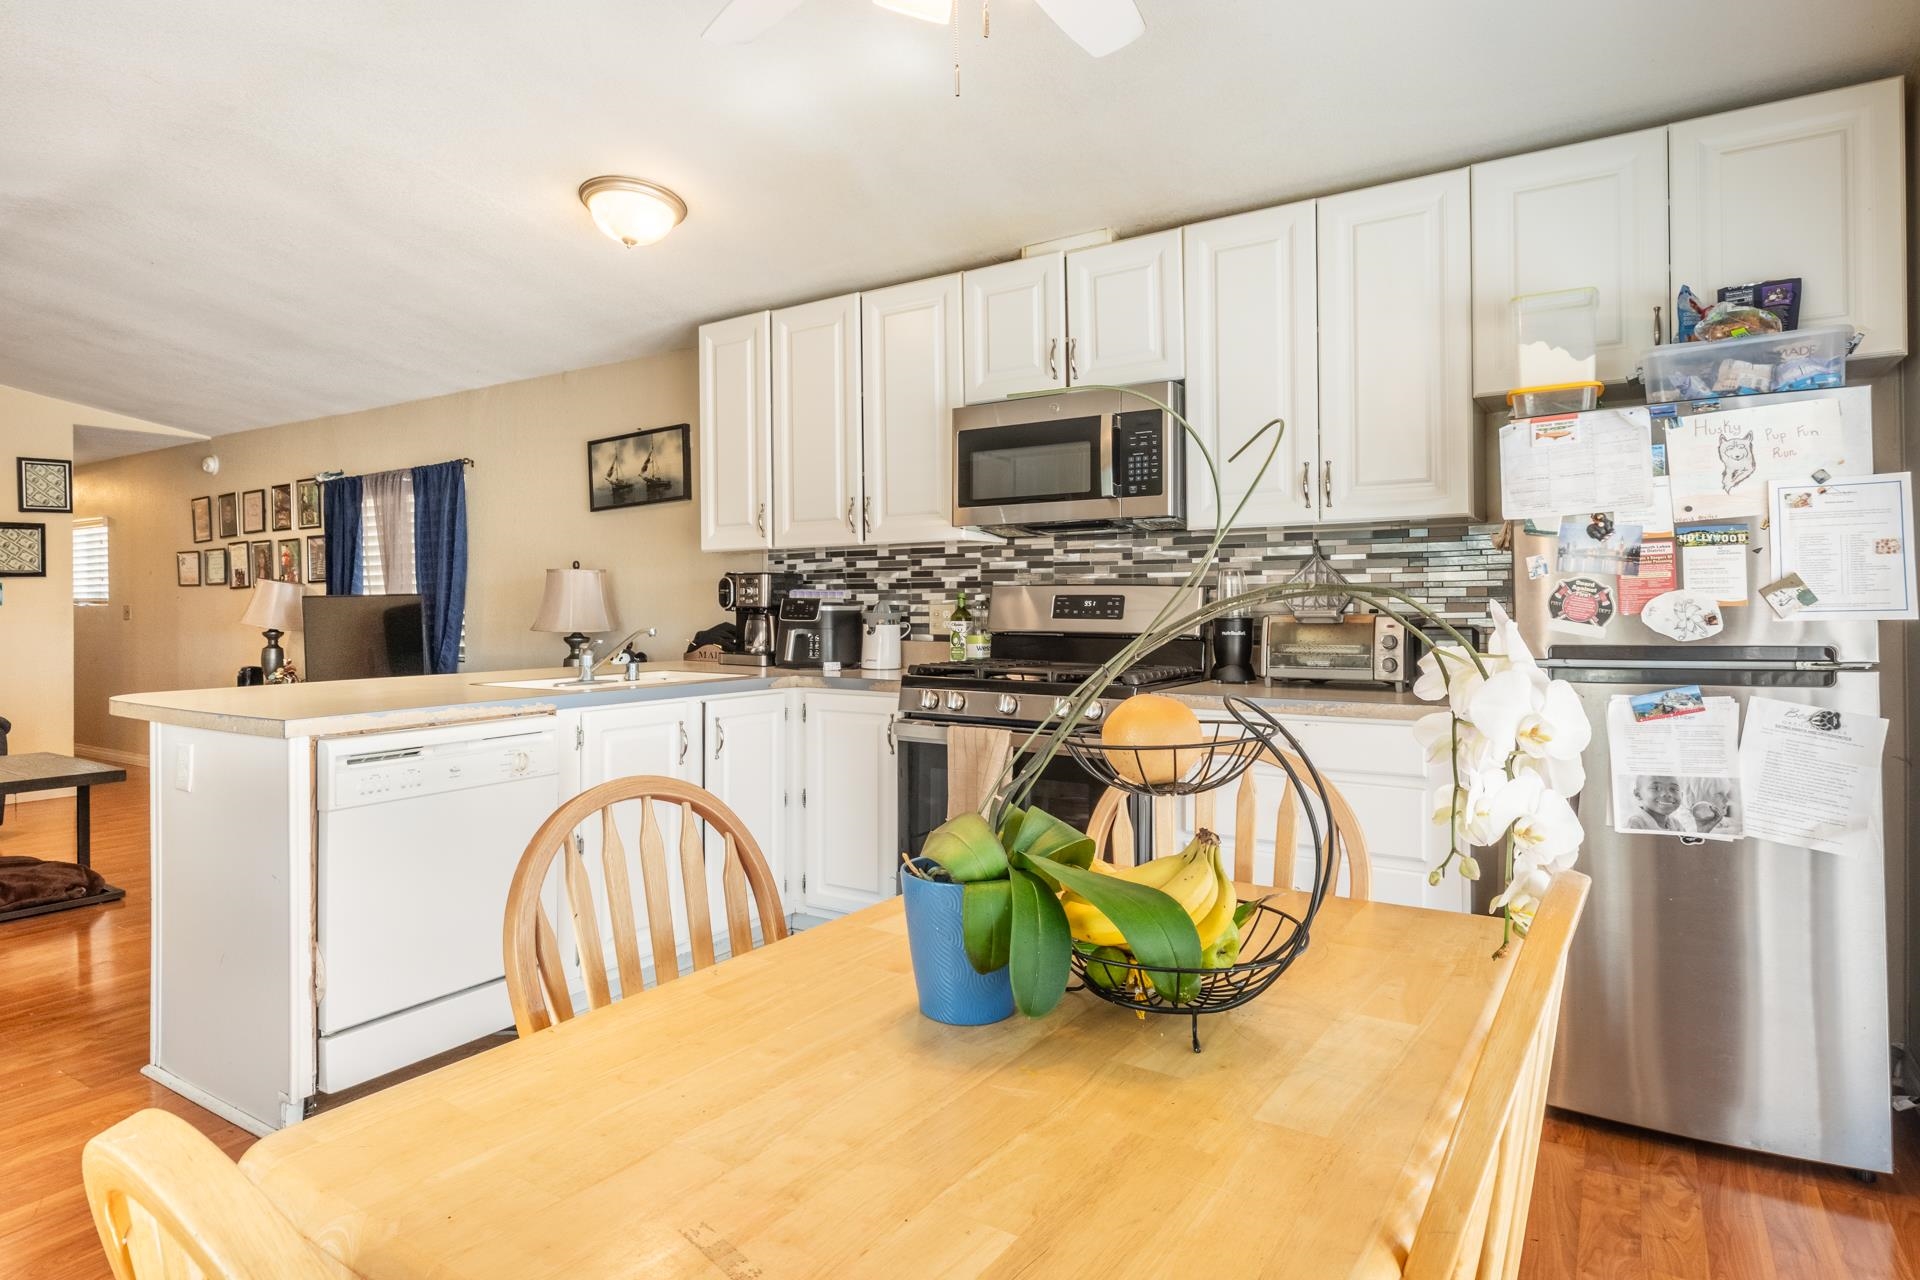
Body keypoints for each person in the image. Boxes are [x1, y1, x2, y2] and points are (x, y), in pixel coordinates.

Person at [1624, 775, 1697, 832]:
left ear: (1682, 795)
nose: (1667, 794)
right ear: (1638, 794)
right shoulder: (1636, 823)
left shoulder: (1675, 823)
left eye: (1674, 789)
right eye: (1656, 788)